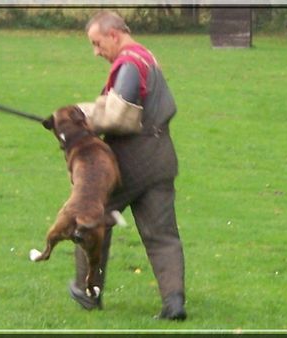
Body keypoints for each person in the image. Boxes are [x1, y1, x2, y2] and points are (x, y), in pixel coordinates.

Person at [68, 10, 187, 321]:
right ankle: (174, 303)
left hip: (131, 161)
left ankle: (87, 290)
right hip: (162, 157)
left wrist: (78, 118)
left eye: (97, 43)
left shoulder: (129, 64)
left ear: (114, 35)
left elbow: (119, 115)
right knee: (163, 234)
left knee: (89, 218)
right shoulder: (147, 57)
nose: (96, 52)